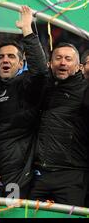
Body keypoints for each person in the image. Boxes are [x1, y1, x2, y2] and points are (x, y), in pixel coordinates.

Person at [0, 6, 48, 198]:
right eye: (0, 57)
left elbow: (40, 71)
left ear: (21, 63)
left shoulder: (26, 86)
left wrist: (27, 31)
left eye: (11, 56)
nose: (5, 60)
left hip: (15, 169)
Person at [29, 43, 89, 206]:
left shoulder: (85, 91)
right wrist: (27, 31)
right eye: (58, 58)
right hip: (40, 171)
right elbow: (37, 68)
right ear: (50, 64)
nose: (63, 62)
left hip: (72, 174)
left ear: (78, 67)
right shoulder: (43, 88)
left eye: (68, 59)